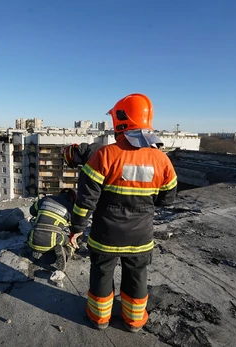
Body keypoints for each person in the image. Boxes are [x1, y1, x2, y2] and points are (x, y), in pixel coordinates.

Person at [70, 93, 177, 333]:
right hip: (140, 237)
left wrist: (76, 229)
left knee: (101, 273)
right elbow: (168, 199)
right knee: (137, 275)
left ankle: (99, 319)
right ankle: (134, 321)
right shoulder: (162, 160)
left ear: (120, 119)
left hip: (105, 236)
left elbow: (86, 201)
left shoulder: (104, 155)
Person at [27, 188, 78, 272]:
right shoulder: (70, 208)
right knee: (69, 240)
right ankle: (66, 252)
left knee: (37, 235)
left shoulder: (45, 199)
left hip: (32, 238)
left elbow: (32, 211)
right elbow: (75, 229)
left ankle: (39, 252)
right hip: (52, 239)